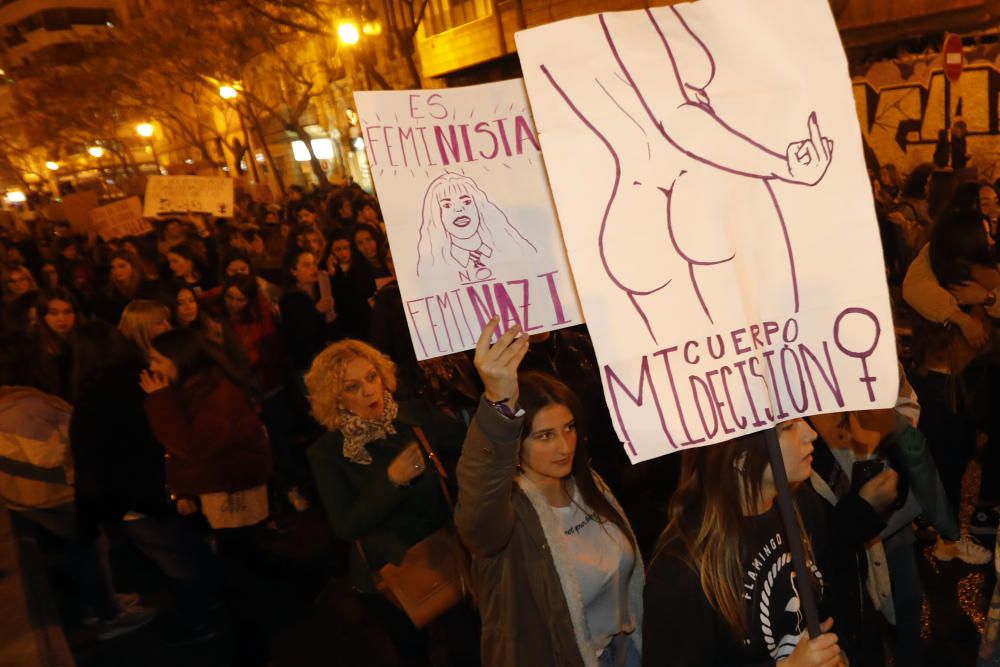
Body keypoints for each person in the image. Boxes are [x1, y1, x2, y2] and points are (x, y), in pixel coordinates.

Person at [455, 318, 643, 667]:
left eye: (569, 428)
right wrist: (498, 405)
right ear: (517, 442)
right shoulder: (508, 518)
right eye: (545, 436)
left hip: (626, 651)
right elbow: (478, 513)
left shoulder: (589, 485)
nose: (564, 446)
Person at [304, 339, 468, 664]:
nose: (368, 391)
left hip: (446, 555)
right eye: (352, 387)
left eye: (371, 377)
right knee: (413, 654)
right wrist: (391, 482)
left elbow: (470, 448)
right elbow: (346, 525)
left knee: (468, 647)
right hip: (392, 574)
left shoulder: (415, 416)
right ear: (335, 398)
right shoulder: (326, 453)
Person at [643, 420, 844, 666]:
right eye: (788, 427)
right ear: (739, 456)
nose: (811, 433)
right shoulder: (681, 568)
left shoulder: (802, 507)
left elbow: (832, 609)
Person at [69, 320, 217, 639]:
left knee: (177, 561)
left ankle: (199, 619)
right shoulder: (146, 380)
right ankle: (212, 602)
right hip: (171, 486)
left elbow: (90, 462)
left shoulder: (93, 399)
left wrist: (90, 516)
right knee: (190, 549)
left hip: (136, 498)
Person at [93, 250, 160, 324]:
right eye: (113, 267)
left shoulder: (149, 288)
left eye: (122, 266)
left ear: (134, 267)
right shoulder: (107, 293)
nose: (117, 271)